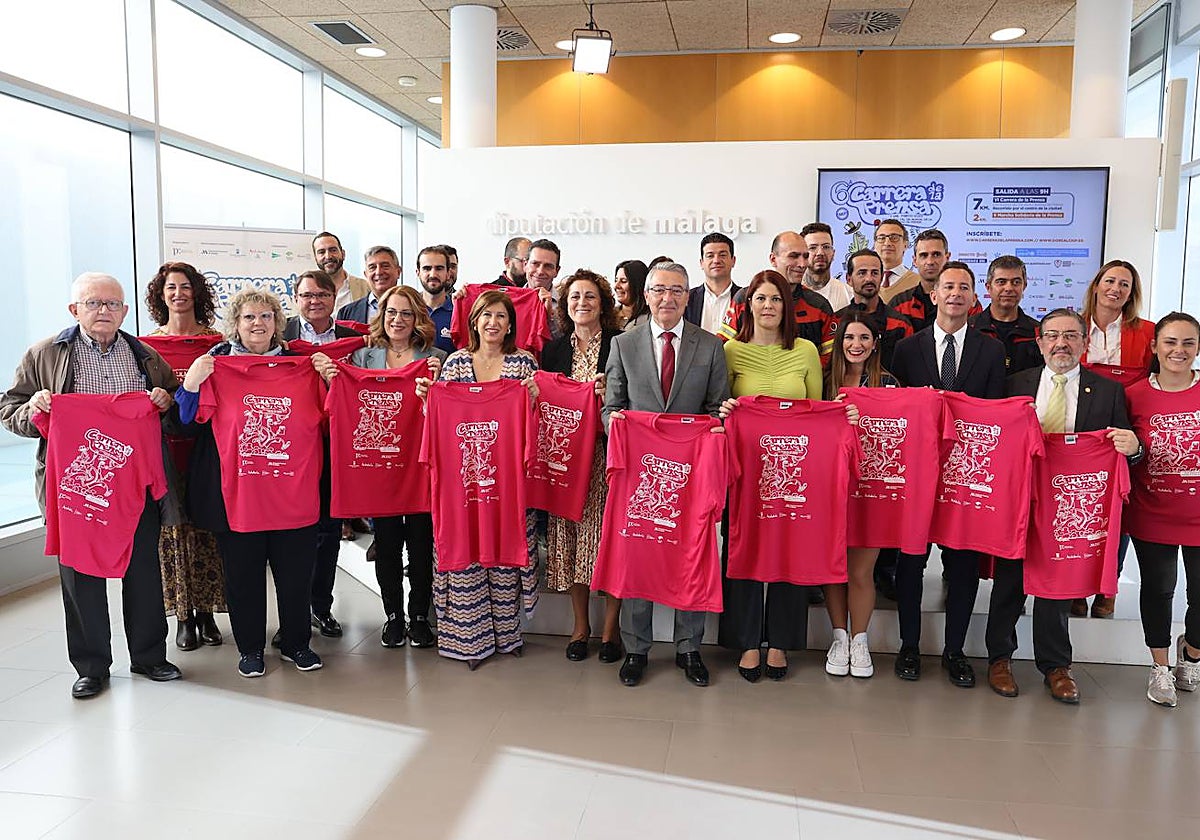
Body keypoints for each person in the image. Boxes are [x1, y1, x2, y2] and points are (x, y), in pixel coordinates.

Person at [0, 272, 182, 699]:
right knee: (80, 580)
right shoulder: (45, 354)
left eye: (113, 304)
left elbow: (177, 410)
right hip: (75, 488)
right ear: (74, 309)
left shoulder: (145, 355)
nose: (104, 311)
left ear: (125, 311)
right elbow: (8, 410)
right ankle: (91, 667)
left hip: (134, 485)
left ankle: (150, 656)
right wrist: (35, 409)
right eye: (94, 303)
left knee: (143, 573)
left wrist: (165, 402)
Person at [984, 308, 1141, 704]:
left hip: (1069, 504)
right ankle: (999, 658)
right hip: (1020, 498)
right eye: (1053, 335)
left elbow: (1124, 444)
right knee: (1009, 581)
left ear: (1085, 343)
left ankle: (1055, 666)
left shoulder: (1107, 392)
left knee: (1057, 586)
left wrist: (1133, 447)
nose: (1061, 344)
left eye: (1071, 336)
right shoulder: (1013, 385)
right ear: (1039, 342)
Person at [176, 288, 325, 677]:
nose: (258, 323)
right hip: (240, 497)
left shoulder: (303, 367)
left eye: (265, 316)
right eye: (249, 317)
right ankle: (250, 649)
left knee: (296, 576)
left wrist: (331, 376)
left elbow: (335, 416)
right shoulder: (217, 367)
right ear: (236, 324)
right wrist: (191, 383)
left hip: (295, 493)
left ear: (277, 323)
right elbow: (186, 420)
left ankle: (297, 643)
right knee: (243, 578)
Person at [603, 261, 730, 688]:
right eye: (659, 290)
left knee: (691, 553)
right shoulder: (624, 344)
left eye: (677, 290)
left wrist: (711, 432)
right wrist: (621, 429)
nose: (667, 298)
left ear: (687, 296)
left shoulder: (710, 346)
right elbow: (610, 408)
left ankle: (689, 648)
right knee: (640, 555)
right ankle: (636, 649)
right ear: (647, 295)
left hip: (690, 475)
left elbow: (716, 410)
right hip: (640, 474)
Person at [890, 262, 1007, 688]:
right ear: (934, 294)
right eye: (948, 286)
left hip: (965, 474)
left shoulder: (991, 351)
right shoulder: (907, 349)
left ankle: (955, 651)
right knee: (910, 562)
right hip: (918, 474)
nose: (956, 293)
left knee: (963, 565)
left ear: (975, 298)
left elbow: (995, 414)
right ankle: (908, 645)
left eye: (964, 287)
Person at [313, 285, 445, 649]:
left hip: (419, 467)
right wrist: (330, 375)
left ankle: (419, 616)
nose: (397, 320)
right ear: (381, 316)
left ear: (417, 318)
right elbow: (342, 399)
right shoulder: (362, 357)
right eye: (391, 312)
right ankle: (393, 616)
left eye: (406, 313)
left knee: (421, 545)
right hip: (378, 468)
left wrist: (439, 384)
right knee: (386, 545)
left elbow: (447, 413)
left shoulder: (436, 358)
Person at [715, 270, 820, 683]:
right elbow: (718, 407)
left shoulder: (806, 351)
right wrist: (725, 411)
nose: (768, 306)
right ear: (748, 306)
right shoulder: (731, 351)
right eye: (760, 298)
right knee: (741, 548)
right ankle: (745, 640)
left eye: (776, 298)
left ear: (786, 306)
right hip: (744, 471)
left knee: (790, 551)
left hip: (793, 471)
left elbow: (817, 412)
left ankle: (780, 641)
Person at [434, 290, 540, 668]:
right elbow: (441, 418)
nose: (493, 322)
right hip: (462, 481)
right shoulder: (455, 364)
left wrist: (534, 398)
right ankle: (468, 643)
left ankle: (507, 637)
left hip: (508, 480)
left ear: (510, 324)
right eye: (486, 315)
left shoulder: (523, 364)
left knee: (505, 552)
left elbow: (535, 419)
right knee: (466, 552)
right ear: (474, 321)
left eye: (500, 316)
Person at [143, 261, 225, 651]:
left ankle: (208, 613)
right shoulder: (144, 347)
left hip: (207, 450)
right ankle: (183, 616)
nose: (179, 294)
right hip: (162, 451)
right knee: (172, 534)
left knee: (207, 528)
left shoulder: (218, 343)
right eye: (171, 287)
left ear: (197, 292)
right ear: (161, 296)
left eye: (186, 286)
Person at [540, 270, 621, 663]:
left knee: (609, 542)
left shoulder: (620, 345)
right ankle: (580, 627)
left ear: (602, 303)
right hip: (566, 462)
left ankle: (611, 630)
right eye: (574, 296)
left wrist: (610, 396)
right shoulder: (553, 349)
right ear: (565, 304)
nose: (582, 303)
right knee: (571, 541)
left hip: (607, 458)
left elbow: (629, 399)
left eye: (590, 296)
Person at [284, 269, 365, 633]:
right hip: (291, 445)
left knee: (329, 531)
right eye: (307, 295)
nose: (314, 301)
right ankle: (292, 616)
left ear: (334, 298)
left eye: (322, 294)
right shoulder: (280, 336)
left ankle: (321, 606)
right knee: (291, 532)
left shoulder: (352, 339)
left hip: (335, 442)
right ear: (296, 299)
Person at [1127, 312, 1200, 707]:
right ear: (1155, 346)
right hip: (1152, 511)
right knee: (1159, 589)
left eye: (1188, 343)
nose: (1179, 350)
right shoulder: (1134, 395)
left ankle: (1192, 653)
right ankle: (1160, 667)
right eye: (1170, 342)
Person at [821, 311, 899, 679]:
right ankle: (839, 637)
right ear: (839, 344)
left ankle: (859, 639)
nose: (856, 344)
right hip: (828, 487)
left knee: (861, 571)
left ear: (875, 343)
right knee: (833, 568)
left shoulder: (890, 384)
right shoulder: (825, 383)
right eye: (850, 338)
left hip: (872, 490)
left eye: (864, 338)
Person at [1077, 259, 1156, 618]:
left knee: (1118, 508)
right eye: (1110, 281)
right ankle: (1078, 584)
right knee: (1080, 507)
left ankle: (1107, 586)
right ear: (1096, 285)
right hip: (1080, 431)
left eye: (1125, 284)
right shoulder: (1074, 326)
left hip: (1126, 430)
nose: (1116, 289)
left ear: (1132, 293)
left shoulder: (1147, 332)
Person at [718, 231, 836, 364]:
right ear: (773, 259)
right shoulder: (743, 299)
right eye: (794, 256)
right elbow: (721, 348)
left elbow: (831, 359)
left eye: (805, 256)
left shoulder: (819, 306)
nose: (802, 264)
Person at [833, 249, 913, 371]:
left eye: (874, 273)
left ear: (881, 277)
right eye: (862, 273)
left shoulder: (900, 324)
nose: (869, 279)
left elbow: (908, 369)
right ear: (849, 279)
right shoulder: (836, 321)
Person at [970, 255, 1042, 375]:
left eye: (1016, 282)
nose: (1008, 288)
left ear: (1024, 286)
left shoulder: (1037, 332)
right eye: (1001, 282)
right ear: (988, 287)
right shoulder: (969, 328)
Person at [685, 233, 740, 334]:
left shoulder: (744, 298)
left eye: (722, 255)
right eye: (710, 256)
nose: (716, 260)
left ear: (733, 261)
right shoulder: (687, 299)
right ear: (701, 263)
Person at [337, 245, 400, 324]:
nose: (378, 272)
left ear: (398, 272)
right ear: (366, 274)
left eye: (385, 266)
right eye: (372, 267)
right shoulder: (346, 314)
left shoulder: (413, 307)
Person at [312, 231, 370, 312]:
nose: (328, 256)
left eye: (333, 250)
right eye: (321, 252)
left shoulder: (365, 287)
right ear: (315, 258)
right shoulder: (307, 291)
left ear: (343, 254)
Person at [800, 222, 853, 311]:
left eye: (826, 247)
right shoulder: (790, 294)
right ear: (802, 254)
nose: (820, 253)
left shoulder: (849, 295)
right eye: (813, 248)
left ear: (833, 253)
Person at [417, 245, 457, 355]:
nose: (433, 274)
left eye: (439, 268)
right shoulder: (408, 309)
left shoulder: (459, 312)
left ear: (448, 273)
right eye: (427, 268)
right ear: (418, 272)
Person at [873, 219, 920, 295]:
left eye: (894, 238)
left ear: (906, 245)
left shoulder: (919, 283)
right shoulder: (863, 281)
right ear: (875, 245)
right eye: (881, 238)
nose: (887, 243)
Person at [614, 259, 650, 331]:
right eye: (616, 280)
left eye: (623, 281)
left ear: (638, 285)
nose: (616, 286)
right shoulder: (609, 317)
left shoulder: (651, 320)